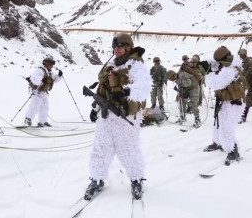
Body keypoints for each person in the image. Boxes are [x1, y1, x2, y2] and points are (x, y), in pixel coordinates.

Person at [85, 33, 151, 200]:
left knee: (129, 150)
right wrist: (95, 108)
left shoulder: (136, 65)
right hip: (106, 116)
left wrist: (128, 90)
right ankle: (97, 180)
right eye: (115, 46)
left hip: (124, 116)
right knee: (100, 149)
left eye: (120, 46)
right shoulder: (111, 65)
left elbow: (144, 87)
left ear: (128, 47)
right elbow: (102, 88)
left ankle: (136, 180)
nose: (117, 49)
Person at [203, 46, 245, 166]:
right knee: (218, 122)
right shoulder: (227, 66)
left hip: (234, 102)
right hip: (226, 100)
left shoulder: (230, 69)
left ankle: (233, 151)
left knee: (226, 127)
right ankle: (218, 142)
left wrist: (207, 74)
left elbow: (216, 84)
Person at [24, 57, 62, 127]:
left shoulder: (49, 72)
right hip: (37, 91)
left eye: (52, 65)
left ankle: (42, 121)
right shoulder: (40, 70)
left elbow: (53, 80)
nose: (52, 67)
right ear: (46, 64)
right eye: (50, 65)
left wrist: (59, 76)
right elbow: (34, 78)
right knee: (35, 106)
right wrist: (41, 80)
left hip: (44, 92)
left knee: (45, 107)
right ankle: (27, 118)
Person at [167, 60, 202, 127]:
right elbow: (181, 86)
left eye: (170, 78)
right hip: (186, 90)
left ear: (173, 75)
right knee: (181, 102)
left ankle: (197, 118)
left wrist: (182, 88)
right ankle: (182, 117)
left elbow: (188, 83)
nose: (171, 80)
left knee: (193, 103)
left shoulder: (182, 75)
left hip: (194, 88)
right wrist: (180, 92)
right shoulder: (176, 79)